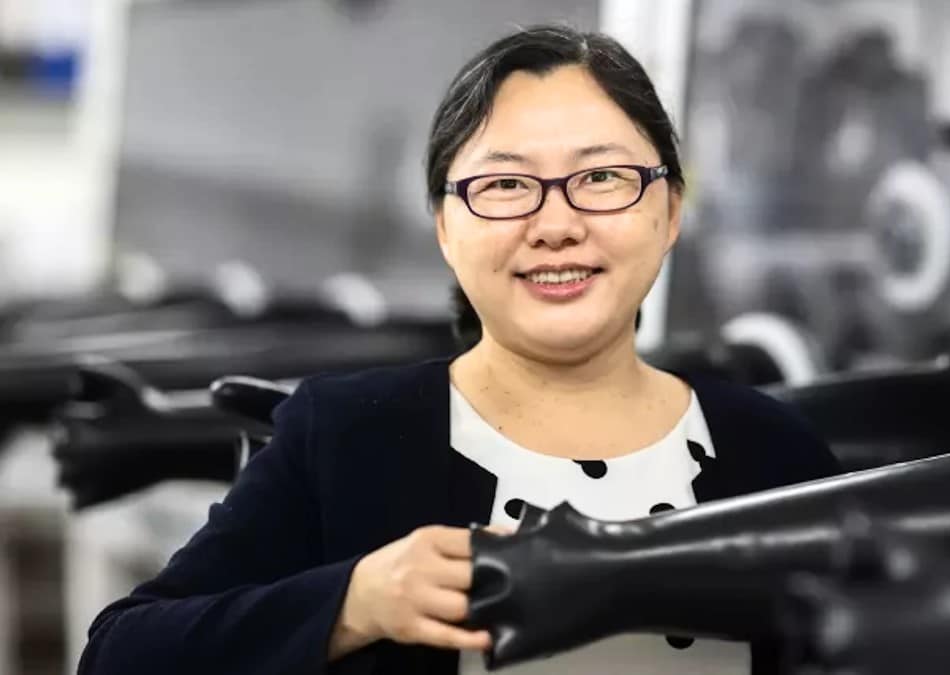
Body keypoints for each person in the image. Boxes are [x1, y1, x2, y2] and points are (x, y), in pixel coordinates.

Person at [77, 25, 840, 675]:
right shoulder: (350, 433)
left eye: (603, 176)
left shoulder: (774, 452)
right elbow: (121, 652)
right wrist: (353, 601)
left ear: (670, 209)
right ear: (446, 226)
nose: (557, 225)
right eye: (506, 185)